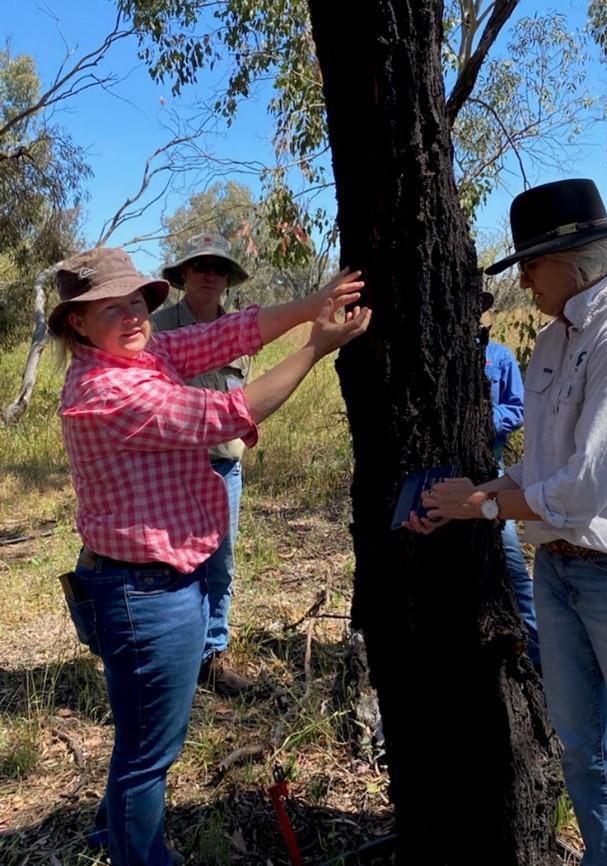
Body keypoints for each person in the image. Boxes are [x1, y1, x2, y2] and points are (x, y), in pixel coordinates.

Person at [50, 245, 371, 866]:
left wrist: (312, 304)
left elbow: (226, 333)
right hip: (144, 592)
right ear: (78, 324)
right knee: (151, 752)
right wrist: (315, 347)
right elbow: (228, 411)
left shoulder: (142, 356)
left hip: (159, 582)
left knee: (142, 734)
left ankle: (107, 831)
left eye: (138, 300)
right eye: (111, 308)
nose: (134, 314)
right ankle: (139, 856)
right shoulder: (107, 390)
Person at [405, 178, 607, 866]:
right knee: (581, 745)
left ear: (576, 258)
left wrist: (487, 505)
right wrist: (470, 495)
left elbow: (584, 486)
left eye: (532, 262)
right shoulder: (554, 344)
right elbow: (539, 474)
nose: (525, 278)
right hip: (559, 570)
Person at [152, 232, 253, 697]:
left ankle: (212, 655)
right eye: (201, 266)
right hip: (174, 466)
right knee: (174, 559)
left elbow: (240, 397)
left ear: (228, 280)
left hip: (225, 465)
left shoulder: (241, 334)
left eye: (219, 268)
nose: (211, 275)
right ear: (184, 275)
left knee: (221, 561)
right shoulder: (157, 329)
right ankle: (176, 654)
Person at [481, 290, 540, 670]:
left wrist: (481, 419)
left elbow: (517, 410)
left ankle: (539, 654)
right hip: (439, 473)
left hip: (491, 471)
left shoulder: (500, 357)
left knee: (512, 562)